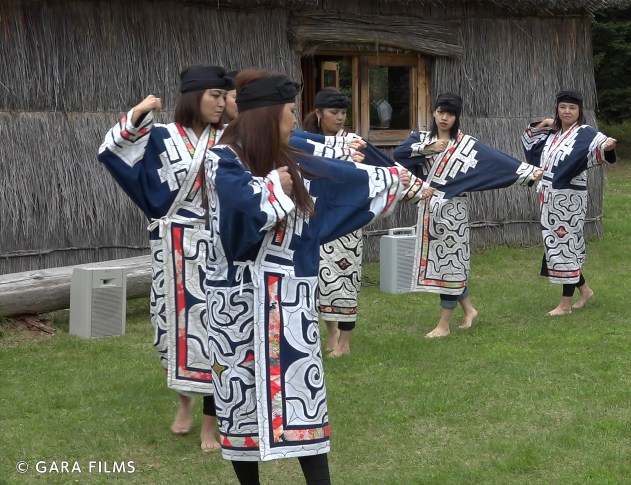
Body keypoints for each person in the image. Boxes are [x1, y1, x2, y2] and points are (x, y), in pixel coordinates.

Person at [203, 69, 413, 484]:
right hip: (238, 306)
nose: (295, 120)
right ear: (266, 116)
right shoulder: (219, 161)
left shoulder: (290, 162)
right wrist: (274, 186)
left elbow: (337, 185)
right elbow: (243, 215)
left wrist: (390, 177)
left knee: (304, 404)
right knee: (240, 403)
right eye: (288, 111)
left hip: (292, 302)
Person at [98, 65, 230, 451]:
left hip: (218, 247)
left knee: (214, 330)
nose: (221, 104)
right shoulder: (161, 136)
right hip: (171, 249)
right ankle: (184, 403)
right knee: (172, 328)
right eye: (214, 96)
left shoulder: (231, 140)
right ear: (193, 97)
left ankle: (211, 422)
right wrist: (138, 112)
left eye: (225, 97)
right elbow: (112, 148)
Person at [395, 93, 544, 338]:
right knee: (442, 263)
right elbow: (400, 154)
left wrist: (528, 171)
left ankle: (443, 325)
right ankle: (469, 310)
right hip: (429, 209)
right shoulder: (420, 138)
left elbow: (497, 161)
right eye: (441, 112)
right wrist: (429, 148)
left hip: (454, 212)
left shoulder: (467, 145)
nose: (444, 118)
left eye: (450, 114)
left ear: (457, 117)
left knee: (451, 265)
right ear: (433, 112)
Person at [522, 90, 617, 316]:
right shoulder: (552, 136)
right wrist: (545, 123)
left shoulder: (584, 133)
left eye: (572, 108)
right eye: (563, 107)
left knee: (566, 246)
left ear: (579, 112)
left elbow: (601, 144)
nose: (567, 111)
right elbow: (529, 139)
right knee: (556, 246)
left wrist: (609, 147)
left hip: (570, 199)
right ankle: (585, 290)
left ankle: (565, 305)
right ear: (557, 109)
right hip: (549, 197)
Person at [303, 88, 367, 357]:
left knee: (346, 277)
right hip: (317, 215)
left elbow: (368, 175)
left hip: (348, 217)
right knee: (320, 277)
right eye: (334, 112)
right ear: (318, 113)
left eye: (343, 113)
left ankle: (345, 342)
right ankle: (331, 334)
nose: (340, 118)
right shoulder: (307, 141)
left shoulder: (354, 142)